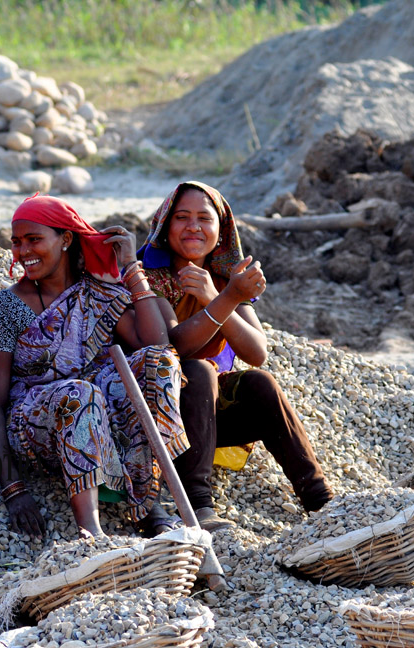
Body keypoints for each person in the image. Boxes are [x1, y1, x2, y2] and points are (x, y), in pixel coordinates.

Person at [0, 195, 189, 539]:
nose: (22, 251)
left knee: (160, 364)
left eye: (34, 239)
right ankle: (90, 532)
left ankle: (149, 499)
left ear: (65, 239)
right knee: (81, 391)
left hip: (100, 414)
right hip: (35, 428)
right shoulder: (6, 309)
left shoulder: (94, 292)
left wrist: (131, 269)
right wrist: (14, 490)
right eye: (17, 242)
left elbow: (154, 344)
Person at [139, 181, 333, 530]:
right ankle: (198, 505)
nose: (194, 226)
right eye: (181, 217)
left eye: (204, 218)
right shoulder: (149, 276)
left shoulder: (224, 278)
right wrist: (225, 299)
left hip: (203, 419)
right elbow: (174, 347)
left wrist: (220, 294)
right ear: (165, 226)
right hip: (153, 411)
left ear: (221, 228)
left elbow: (257, 352)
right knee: (198, 370)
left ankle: (320, 500)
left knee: (259, 383)